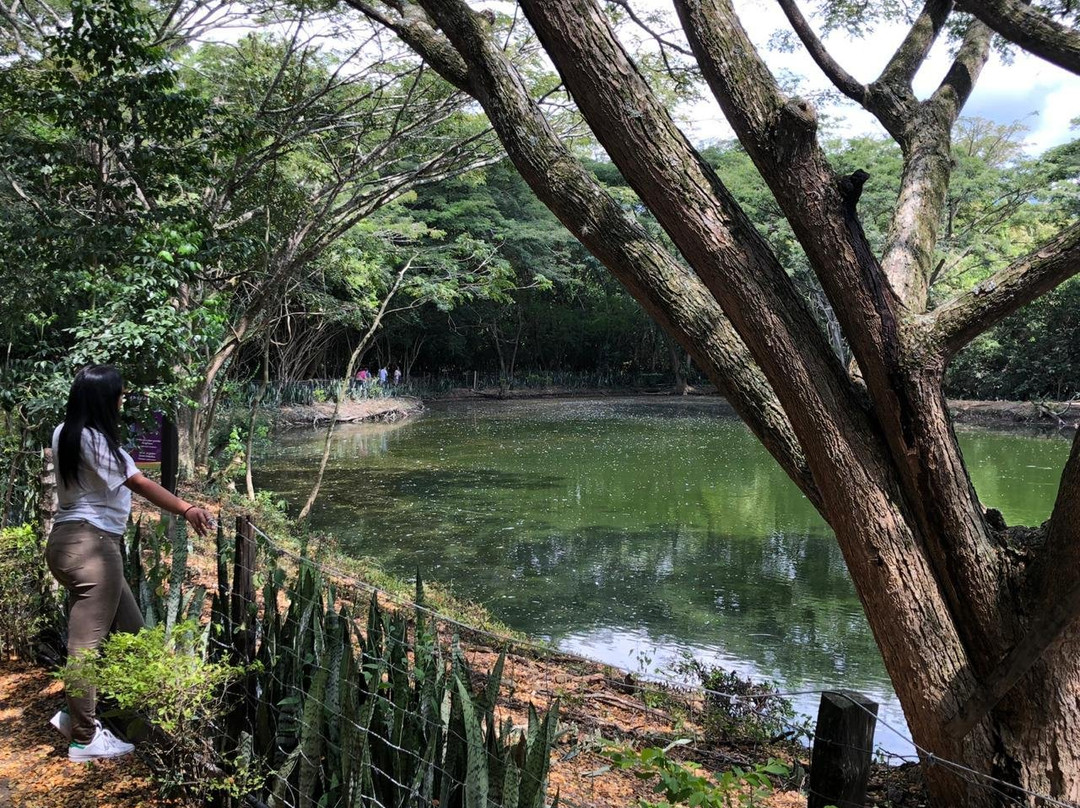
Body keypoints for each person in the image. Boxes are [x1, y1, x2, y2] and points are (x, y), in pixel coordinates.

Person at [46, 365, 213, 762]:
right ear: (106, 400)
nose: (123, 401)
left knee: (133, 631)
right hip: (93, 547)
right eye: (120, 395)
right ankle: (85, 739)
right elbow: (137, 482)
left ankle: (123, 718)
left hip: (67, 541)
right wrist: (186, 507)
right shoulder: (94, 440)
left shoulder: (63, 432)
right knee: (85, 646)